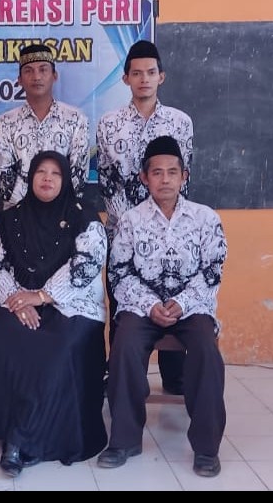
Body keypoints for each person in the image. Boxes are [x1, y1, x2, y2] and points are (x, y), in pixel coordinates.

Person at [98, 135, 227, 477]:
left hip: (191, 307)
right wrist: (151, 304)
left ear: (185, 176)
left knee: (206, 350)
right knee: (124, 345)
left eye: (172, 172)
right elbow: (119, 273)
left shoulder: (205, 218)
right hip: (143, 307)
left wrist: (181, 304)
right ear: (144, 177)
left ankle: (206, 448)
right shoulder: (130, 220)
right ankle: (124, 440)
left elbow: (213, 271)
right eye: (157, 172)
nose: (165, 179)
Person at [0, 150, 108, 477]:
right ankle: (12, 429)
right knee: (1, 333)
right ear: (30, 178)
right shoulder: (10, 219)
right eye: (41, 172)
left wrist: (41, 296)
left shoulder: (84, 217)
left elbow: (87, 264)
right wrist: (18, 301)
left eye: (55, 173)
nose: (47, 178)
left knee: (56, 347)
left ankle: (20, 440)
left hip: (73, 305)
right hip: (19, 301)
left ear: (65, 180)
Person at [96, 39, 194, 395]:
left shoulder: (180, 123)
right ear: (125, 79)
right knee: (122, 302)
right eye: (136, 74)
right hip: (123, 231)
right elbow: (107, 182)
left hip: (171, 231)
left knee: (171, 293)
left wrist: (162, 224)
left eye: (150, 73)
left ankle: (174, 376)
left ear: (161, 77)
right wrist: (130, 227)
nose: (144, 80)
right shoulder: (109, 124)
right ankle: (123, 376)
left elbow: (183, 180)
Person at [0, 43, 90, 209]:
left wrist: (51, 211)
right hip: (18, 215)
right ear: (19, 80)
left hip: (64, 215)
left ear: (54, 76)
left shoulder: (76, 120)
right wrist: (33, 213)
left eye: (43, 69)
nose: (36, 77)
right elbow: (5, 184)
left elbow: (77, 179)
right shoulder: (4, 123)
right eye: (28, 71)